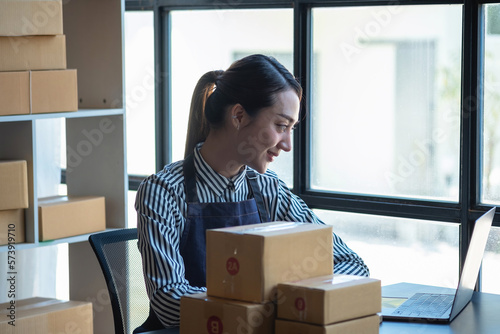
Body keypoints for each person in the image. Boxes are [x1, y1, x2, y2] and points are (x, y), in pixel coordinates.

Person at [135, 54, 369, 328]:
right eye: (281, 126)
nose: (287, 144)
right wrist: (268, 304)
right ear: (239, 116)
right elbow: (169, 303)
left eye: (291, 129)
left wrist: (286, 299)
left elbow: (351, 264)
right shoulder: (164, 192)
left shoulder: (270, 191)